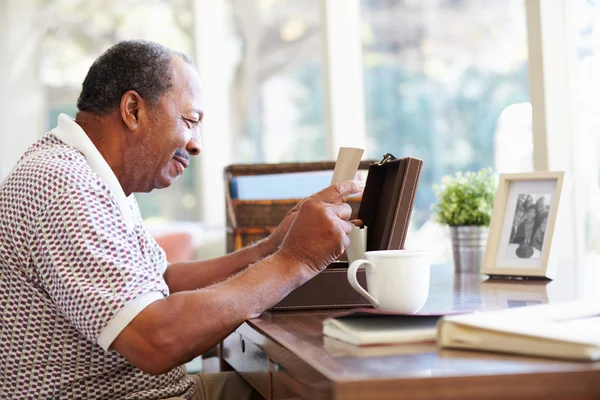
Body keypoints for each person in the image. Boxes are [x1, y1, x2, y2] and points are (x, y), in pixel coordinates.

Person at [0, 40, 363, 399]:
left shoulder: (91, 176)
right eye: (190, 121)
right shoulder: (63, 186)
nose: (196, 144)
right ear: (133, 110)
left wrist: (270, 250)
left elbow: (163, 280)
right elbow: (156, 340)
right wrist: (294, 260)